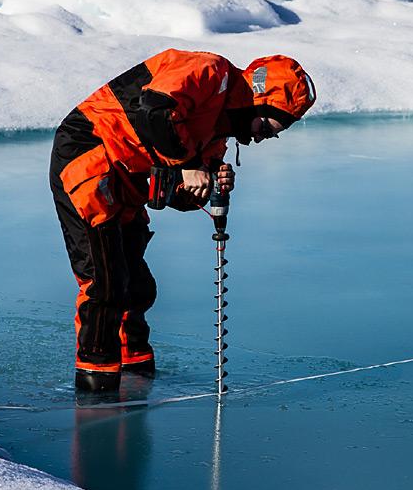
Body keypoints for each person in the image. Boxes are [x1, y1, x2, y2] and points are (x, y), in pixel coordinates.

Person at [50, 48, 316, 392]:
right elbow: (153, 110)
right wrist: (189, 165)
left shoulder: (216, 134)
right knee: (105, 281)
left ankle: (134, 369)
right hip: (88, 151)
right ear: (258, 100)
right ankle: (95, 382)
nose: (261, 137)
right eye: (266, 126)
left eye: (272, 133)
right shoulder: (208, 71)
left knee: (137, 285)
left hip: (127, 178)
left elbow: (175, 195)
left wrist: (205, 184)